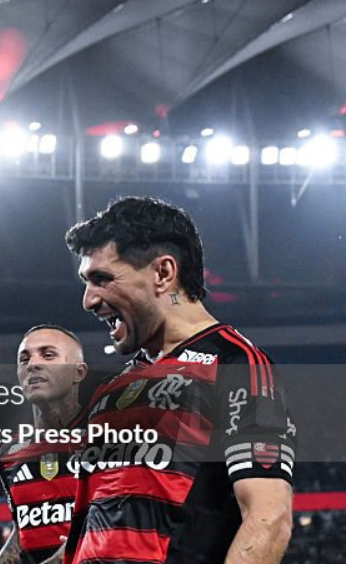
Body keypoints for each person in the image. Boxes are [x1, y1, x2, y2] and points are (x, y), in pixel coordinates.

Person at [62, 196, 295, 564]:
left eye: (102, 279)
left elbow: (268, 518)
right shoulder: (114, 389)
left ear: (163, 273)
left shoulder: (235, 364)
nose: (88, 300)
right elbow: (93, 534)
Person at [0, 325, 89, 564]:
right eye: (24, 359)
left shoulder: (111, 436)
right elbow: (23, 528)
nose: (32, 364)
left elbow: (111, 526)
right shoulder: (9, 453)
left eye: (48, 355)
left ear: (78, 372)